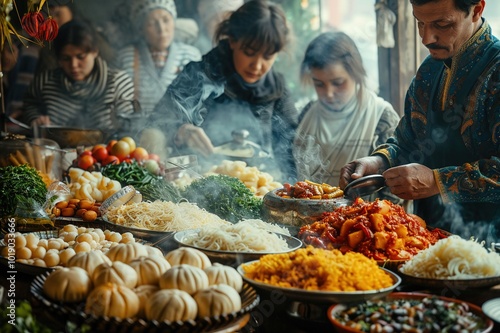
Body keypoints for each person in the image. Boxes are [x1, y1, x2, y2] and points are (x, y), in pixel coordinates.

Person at [339, 0, 500, 244]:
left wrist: (438, 181)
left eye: (442, 24)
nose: (426, 38)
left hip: (490, 245)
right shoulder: (430, 68)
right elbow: (408, 140)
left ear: (476, 9)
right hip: (426, 238)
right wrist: (378, 161)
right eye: (419, 23)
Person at [150, 0, 299, 182]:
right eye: (249, 52)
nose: (257, 65)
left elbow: (290, 154)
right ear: (232, 40)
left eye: (268, 56)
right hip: (195, 186)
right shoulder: (199, 73)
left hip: (260, 189)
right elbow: (154, 124)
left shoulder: (277, 89)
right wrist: (181, 131)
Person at [294, 31, 400, 187]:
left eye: (338, 82)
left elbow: (394, 183)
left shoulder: (382, 117)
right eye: (319, 84)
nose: (329, 93)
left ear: (355, 74)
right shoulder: (306, 114)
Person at [22, 20, 135, 132]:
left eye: (80, 57)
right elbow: (29, 105)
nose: (73, 65)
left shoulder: (118, 83)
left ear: (95, 51)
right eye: (66, 58)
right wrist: (35, 118)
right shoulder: (45, 81)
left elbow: (127, 126)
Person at [115, 0, 201, 114]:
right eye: (152, 23)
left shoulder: (191, 56)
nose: (161, 29)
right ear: (141, 29)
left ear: (174, 22)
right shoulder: (126, 57)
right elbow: (118, 105)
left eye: (166, 20)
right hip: (134, 129)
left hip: (179, 128)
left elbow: (198, 104)